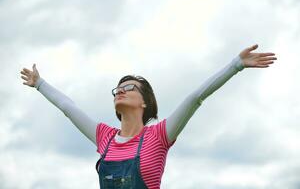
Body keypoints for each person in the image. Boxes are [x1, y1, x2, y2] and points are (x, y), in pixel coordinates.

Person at [20, 44, 277, 188]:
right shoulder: (105, 138)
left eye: (129, 87)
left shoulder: (159, 136)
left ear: (145, 102)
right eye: (117, 88)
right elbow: (68, 107)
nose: (120, 89)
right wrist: (40, 83)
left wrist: (236, 65)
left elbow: (195, 97)